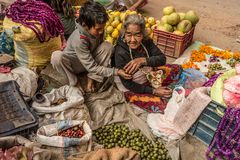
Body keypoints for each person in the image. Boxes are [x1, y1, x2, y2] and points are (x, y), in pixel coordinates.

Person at [51, 0, 131, 94]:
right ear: (85, 25)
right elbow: (92, 67)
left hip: (89, 61)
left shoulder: (97, 29)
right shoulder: (79, 39)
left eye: (103, 28)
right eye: (98, 29)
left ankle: (92, 78)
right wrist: (116, 71)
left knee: (107, 46)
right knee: (56, 56)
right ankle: (75, 82)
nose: (101, 32)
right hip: (75, 65)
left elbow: (99, 51)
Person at [113, 13, 172, 98]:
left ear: (143, 34)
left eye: (137, 35)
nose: (132, 40)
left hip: (147, 76)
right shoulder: (120, 52)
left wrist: (143, 61)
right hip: (133, 86)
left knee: (176, 69)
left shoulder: (146, 41)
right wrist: (153, 91)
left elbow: (162, 59)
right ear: (124, 34)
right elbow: (128, 84)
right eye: (129, 35)